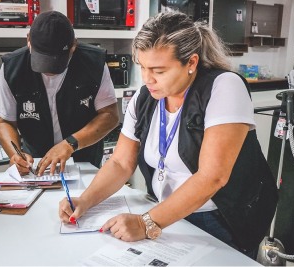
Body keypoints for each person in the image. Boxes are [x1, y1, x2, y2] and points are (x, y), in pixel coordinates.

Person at [59, 12, 278, 259]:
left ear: (191, 63)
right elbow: (120, 162)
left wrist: (145, 224)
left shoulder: (224, 86)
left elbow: (212, 177)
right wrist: (85, 201)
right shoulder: (145, 98)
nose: (147, 79)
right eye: (142, 67)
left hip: (222, 219)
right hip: (166, 213)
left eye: (159, 71)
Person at [0, 11, 119, 175]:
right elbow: (5, 122)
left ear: (73, 46)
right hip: (36, 164)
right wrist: (15, 154)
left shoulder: (94, 64)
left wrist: (69, 144)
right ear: (29, 40)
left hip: (84, 161)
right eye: (42, 60)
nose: (49, 70)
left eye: (57, 62)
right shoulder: (12, 68)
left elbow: (110, 116)